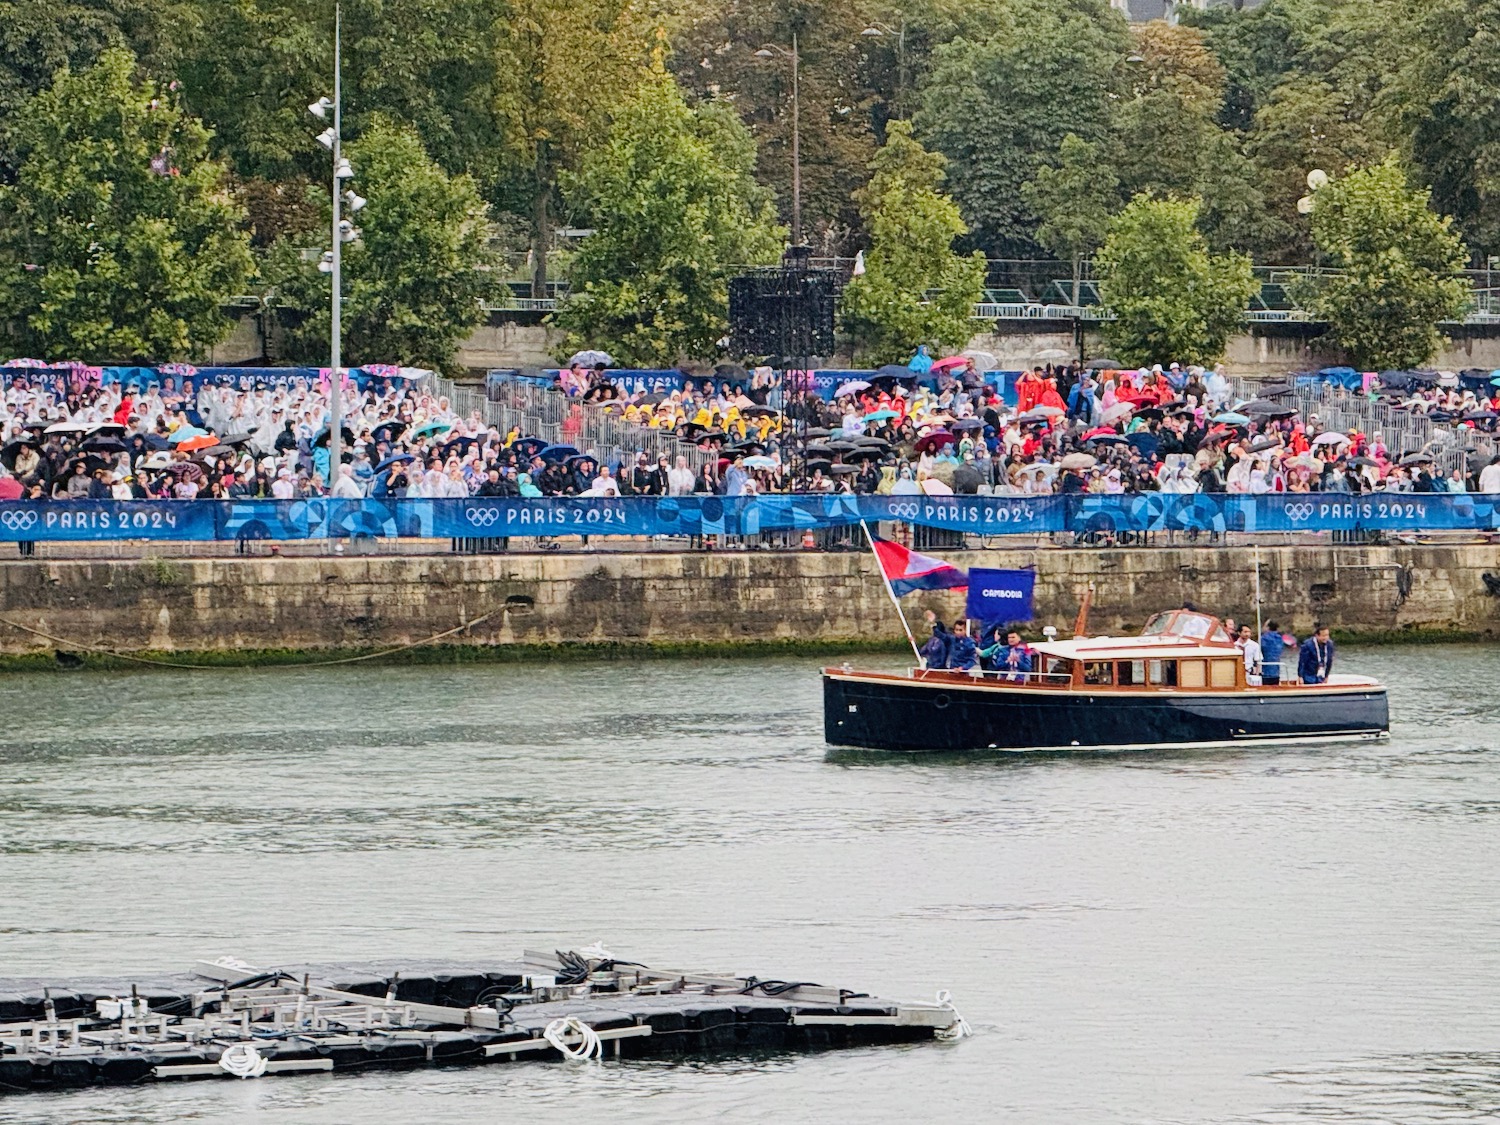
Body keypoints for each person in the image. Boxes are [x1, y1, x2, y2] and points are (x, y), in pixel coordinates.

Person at [1259, 619, 1286, 686]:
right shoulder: (1280, 638)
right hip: (1276, 670)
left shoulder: (1263, 638)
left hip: (1265, 670)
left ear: (1268, 627)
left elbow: (1260, 651)